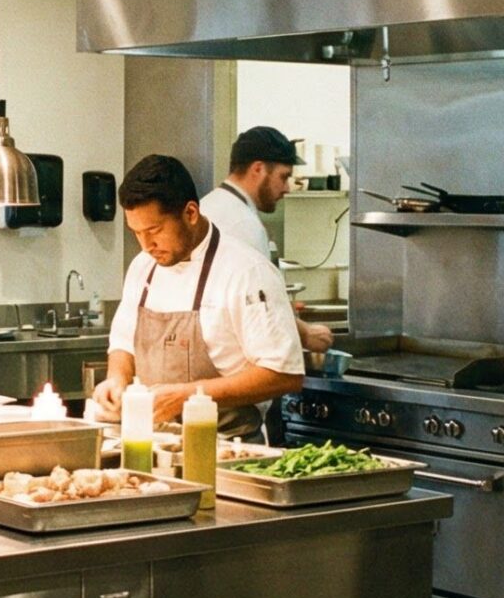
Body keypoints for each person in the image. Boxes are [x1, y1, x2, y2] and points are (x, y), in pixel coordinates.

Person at [90, 154, 305, 438]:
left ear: (190, 213)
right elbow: (123, 343)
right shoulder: (143, 266)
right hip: (152, 442)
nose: (146, 245)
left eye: (154, 230)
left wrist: (188, 396)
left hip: (227, 446)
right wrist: (116, 379)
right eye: (136, 233)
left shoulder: (247, 271)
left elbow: (284, 375)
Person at [196, 125, 336, 356]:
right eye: (284, 177)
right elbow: (261, 307)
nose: (287, 188)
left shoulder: (210, 204)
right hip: (228, 354)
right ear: (258, 169)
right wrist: (306, 334)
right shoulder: (243, 224)